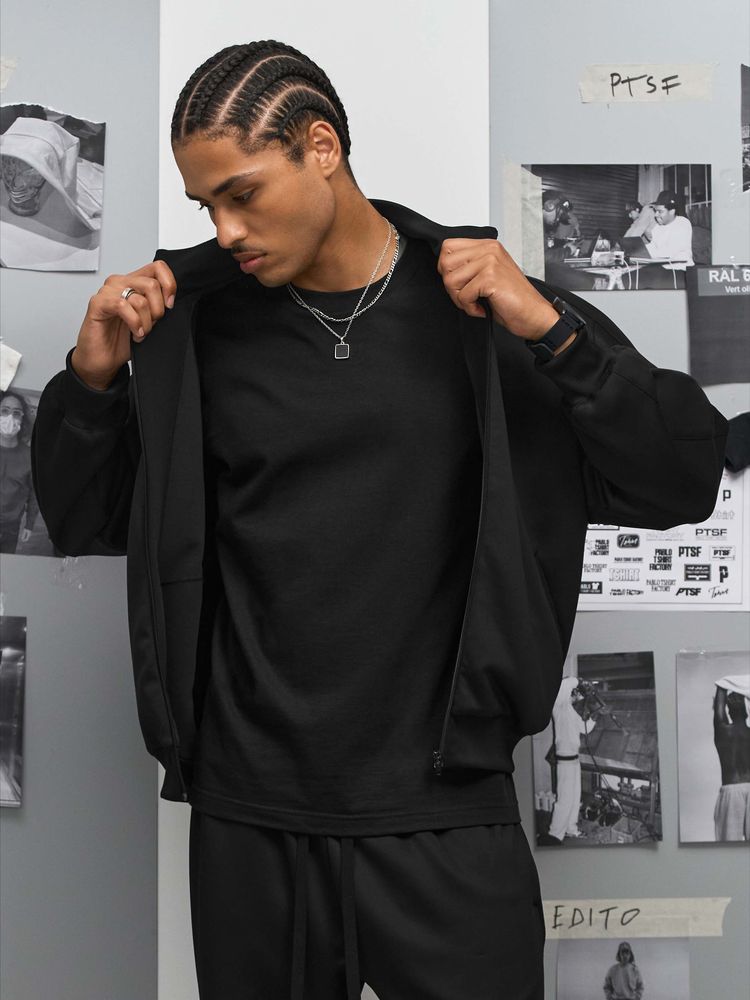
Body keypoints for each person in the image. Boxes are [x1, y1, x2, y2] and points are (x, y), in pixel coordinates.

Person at [31, 40, 727, 1000]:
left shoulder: (491, 315)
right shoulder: (193, 327)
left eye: (242, 194)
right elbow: (84, 519)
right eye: (206, 206)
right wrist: (93, 379)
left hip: (449, 810)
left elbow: (682, 479)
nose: (226, 229)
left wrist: (554, 332)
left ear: (321, 147)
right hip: (252, 818)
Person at [538, 676, 595, 845]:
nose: (580, 697)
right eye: (578, 693)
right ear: (571, 692)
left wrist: (594, 715)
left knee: (575, 798)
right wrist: (579, 681)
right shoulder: (558, 705)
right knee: (564, 800)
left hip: (575, 761)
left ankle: (571, 828)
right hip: (565, 761)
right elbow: (563, 685)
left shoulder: (570, 710)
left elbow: (584, 729)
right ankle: (554, 835)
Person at [0, 390, 39, 553]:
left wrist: (29, 524)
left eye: (16, 413)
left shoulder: (29, 457)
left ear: (22, 419)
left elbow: (35, 493)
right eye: (4, 411)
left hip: (10, 526)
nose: (10, 417)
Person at [713, 676, 750, 841]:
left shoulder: (722, 731)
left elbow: (719, 706)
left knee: (727, 846)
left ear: (728, 710)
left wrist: (724, 683)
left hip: (731, 790)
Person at [639, 189, 694, 288]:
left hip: (680, 271)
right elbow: (653, 246)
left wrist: (645, 255)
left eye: (660, 211)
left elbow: (668, 252)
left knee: (643, 281)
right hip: (663, 268)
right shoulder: (657, 227)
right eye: (655, 211)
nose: (656, 215)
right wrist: (639, 251)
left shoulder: (682, 223)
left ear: (672, 211)